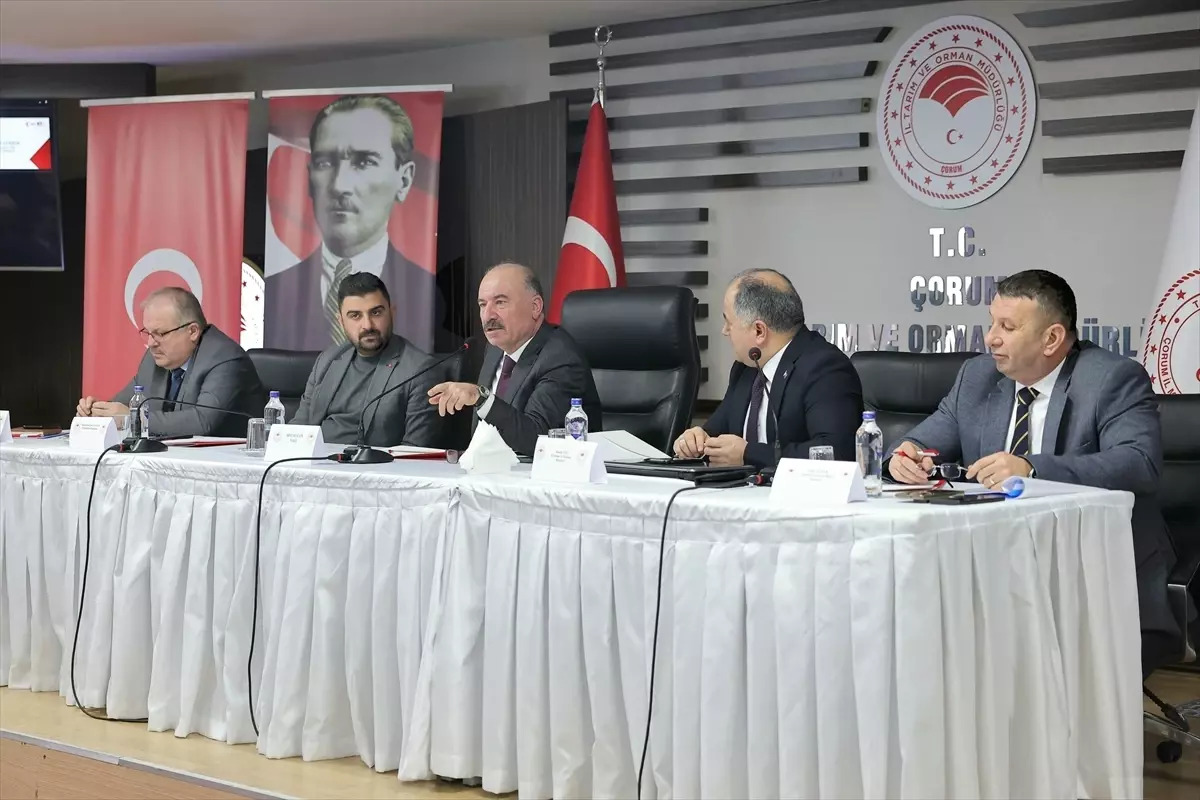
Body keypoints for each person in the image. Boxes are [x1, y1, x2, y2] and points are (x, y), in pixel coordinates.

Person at [887, 269, 1179, 675]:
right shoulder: (977, 377)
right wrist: (904, 456)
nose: (991, 338)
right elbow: (921, 440)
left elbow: (1138, 463)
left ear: (1052, 339)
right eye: (992, 323)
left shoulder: (1111, 379)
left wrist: (1032, 468)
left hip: (1089, 570)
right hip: (992, 565)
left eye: (1007, 327)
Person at [265, 94, 442, 353]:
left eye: (364, 162)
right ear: (309, 178)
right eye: (325, 163)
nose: (339, 185)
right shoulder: (272, 293)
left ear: (404, 180)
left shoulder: (427, 293)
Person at [674, 268, 863, 468]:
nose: (725, 331)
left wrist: (749, 455)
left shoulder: (826, 369)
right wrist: (695, 440)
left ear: (759, 331)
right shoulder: (746, 368)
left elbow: (836, 452)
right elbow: (716, 431)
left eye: (729, 322)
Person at [426, 262, 601, 456]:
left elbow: (537, 440)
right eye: (483, 305)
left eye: (500, 302)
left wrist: (481, 398)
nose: (488, 315)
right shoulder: (494, 350)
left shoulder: (560, 359)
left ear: (535, 307)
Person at [76, 287, 264, 438]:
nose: (151, 343)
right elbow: (122, 404)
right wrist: (97, 412)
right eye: (148, 333)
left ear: (192, 331)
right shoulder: (155, 358)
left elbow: (202, 422)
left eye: (160, 333)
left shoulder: (225, 359)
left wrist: (132, 418)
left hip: (232, 464)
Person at [291, 273, 442, 447]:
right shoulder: (327, 360)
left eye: (376, 313)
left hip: (374, 463)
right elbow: (298, 429)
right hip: (312, 460)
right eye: (355, 315)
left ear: (392, 312)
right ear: (341, 321)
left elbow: (414, 451)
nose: (368, 325)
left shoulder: (420, 370)